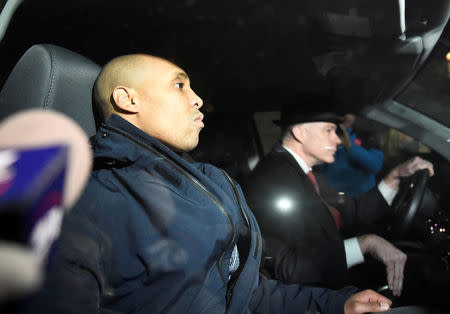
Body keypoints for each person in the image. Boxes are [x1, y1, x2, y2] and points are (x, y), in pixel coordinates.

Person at [28, 54, 393, 314]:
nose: (198, 98)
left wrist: (332, 304)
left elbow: (247, 293)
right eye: (179, 85)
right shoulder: (78, 205)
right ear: (127, 98)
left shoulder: (211, 184)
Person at [242, 104, 434, 297]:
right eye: (329, 130)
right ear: (300, 133)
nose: (338, 140)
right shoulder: (272, 179)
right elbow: (291, 267)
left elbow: (351, 210)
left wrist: (395, 177)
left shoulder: (301, 171)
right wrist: (365, 243)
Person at [315, 113, 384, 197]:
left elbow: (376, 165)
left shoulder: (366, 137)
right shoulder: (322, 134)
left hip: (361, 198)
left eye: (350, 112)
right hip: (331, 194)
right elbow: (317, 167)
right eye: (341, 112)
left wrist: (349, 146)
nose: (345, 116)